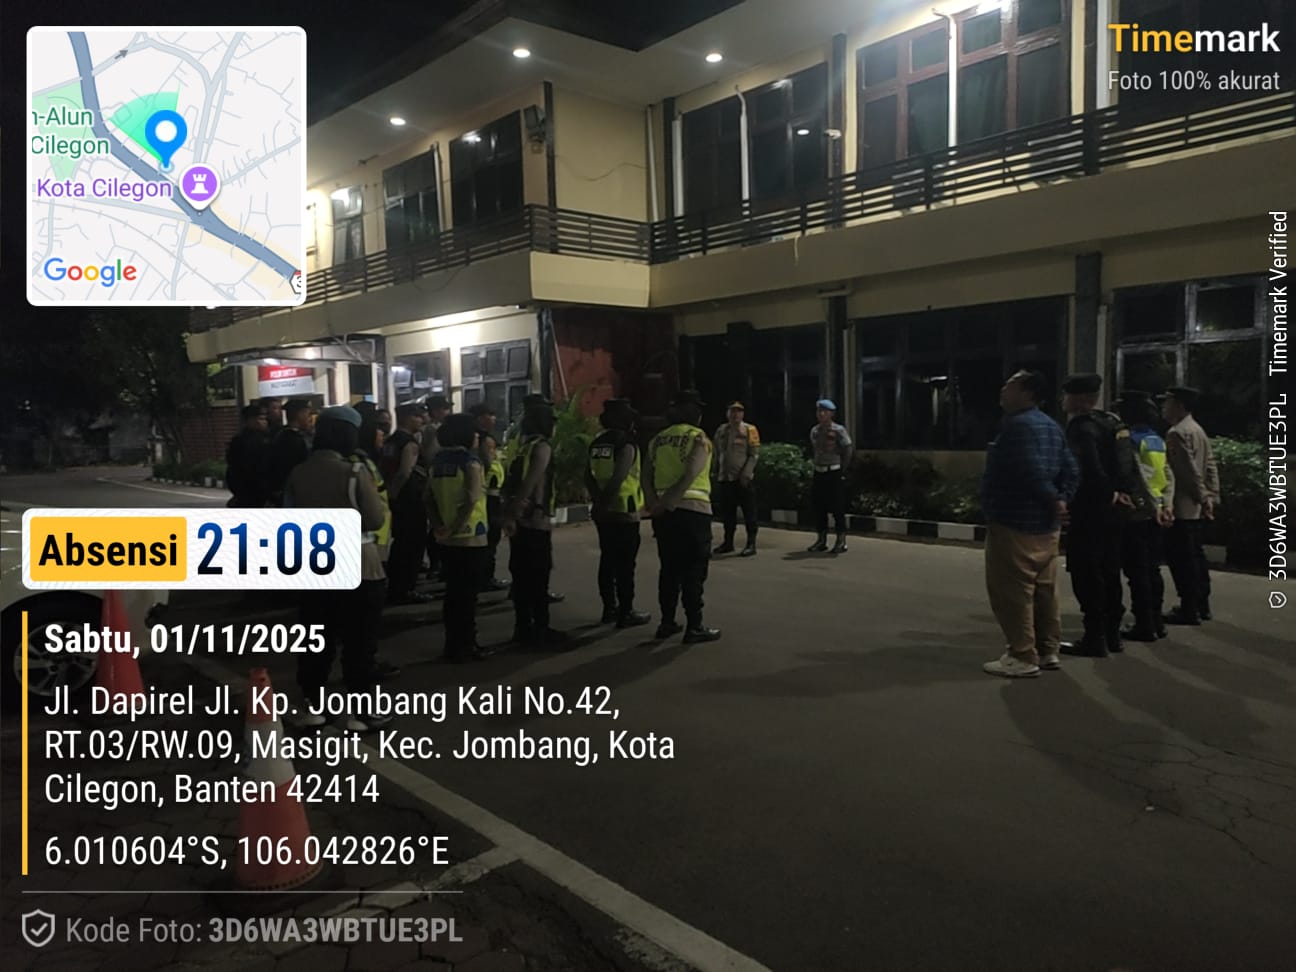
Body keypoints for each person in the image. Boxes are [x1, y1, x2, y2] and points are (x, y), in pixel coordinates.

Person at [284, 406, 389, 732]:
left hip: (315, 568)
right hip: (359, 566)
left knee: (316, 641)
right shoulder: (355, 472)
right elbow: (375, 519)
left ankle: (313, 709)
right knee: (359, 643)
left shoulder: (298, 473)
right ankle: (361, 714)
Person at [981, 370, 1079, 678]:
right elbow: (1071, 469)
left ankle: (1022, 654)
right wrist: (1062, 499)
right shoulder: (1052, 426)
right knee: (1044, 590)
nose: (1002, 390)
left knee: (1012, 591)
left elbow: (1028, 469)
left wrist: (1053, 499)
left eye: (1009, 385)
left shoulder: (1017, 427)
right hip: (1047, 526)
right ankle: (1048, 649)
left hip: (1014, 520)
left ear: (1027, 393)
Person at [1060, 373, 1140, 658]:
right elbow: (1128, 462)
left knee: (1086, 572)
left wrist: (1104, 493)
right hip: (1116, 510)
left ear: (1080, 398)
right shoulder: (1113, 422)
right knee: (1110, 570)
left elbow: (1087, 468)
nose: (1064, 400)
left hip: (1089, 509)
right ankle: (1112, 634)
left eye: (1067, 395)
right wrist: (1122, 491)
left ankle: (1094, 638)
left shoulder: (1081, 427)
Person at [644, 390, 721, 643]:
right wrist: (671, 501)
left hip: (663, 514)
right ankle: (694, 626)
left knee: (669, 569)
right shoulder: (699, 438)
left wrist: (655, 504)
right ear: (694, 413)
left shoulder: (657, 440)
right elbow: (691, 473)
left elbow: (646, 475)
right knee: (694, 570)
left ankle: (667, 622)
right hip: (693, 511)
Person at [427, 414, 498, 663]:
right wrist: (455, 528)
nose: (477, 436)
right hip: (470, 537)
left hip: (445, 538)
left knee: (453, 594)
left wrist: (440, 526)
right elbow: (471, 500)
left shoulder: (437, 462)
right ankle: (466, 645)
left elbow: (428, 498)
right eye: (474, 432)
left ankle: (452, 644)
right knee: (468, 597)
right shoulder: (471, 462)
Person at [502, 398, 568, 647]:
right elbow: (530, 482)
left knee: (521, 576)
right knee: (538, 577)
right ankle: (540, 629)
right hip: (534, 519)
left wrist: (510, 514)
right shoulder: (542, 448)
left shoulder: (522, 447)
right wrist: (518, 509)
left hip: (521, 519)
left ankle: (523, 628)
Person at [586, 399, 652, 628]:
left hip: (603, 513)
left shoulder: (597, 443)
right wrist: (606, 500)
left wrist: (598, 501)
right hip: (624, 510)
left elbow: (588, 475)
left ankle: (609, 609)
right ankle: (626, 611)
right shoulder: (626, 444)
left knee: (607, 560)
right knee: (625, 565)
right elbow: (620, 476)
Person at [1116, 391, 1175, 642]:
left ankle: (1144, 624)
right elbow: (1167, 474)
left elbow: (1136, 476)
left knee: (1137, 572)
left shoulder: (1129, 439)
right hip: (1157, 510)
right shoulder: (1155, 439)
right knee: (1152, 569)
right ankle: (1156, 621)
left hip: (1139, 512)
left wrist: (1151, 507)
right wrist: (1165, 504)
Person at [1161, 386, 1220, 625]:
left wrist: (1202, 497)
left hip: (1183, 505)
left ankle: (1189, 608)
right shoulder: (1197, 429)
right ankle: (1201, 605)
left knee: (1183, 560)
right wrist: (1211, 496)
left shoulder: (1176, 433)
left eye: (1167, 403)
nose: (1164, 408)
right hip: (1196, 505)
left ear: (1179, 405)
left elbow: (1188, 472)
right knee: (1196, 557)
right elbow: (1210, 466)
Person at [381, 402, 432, 605]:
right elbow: (404, 472)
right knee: (412, 544)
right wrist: (394, 494)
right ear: (407, 418)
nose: (421, 420)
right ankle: (405, 588)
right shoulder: (409, 443)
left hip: (394, 497)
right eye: (417, 416)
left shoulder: (390, 441)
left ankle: (396, 586)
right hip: (410, 498)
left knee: (400, 543)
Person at [712, 401, 761, 557]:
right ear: (727, 413)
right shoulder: (721, 430)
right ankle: (728, 542)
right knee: (727, 514)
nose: (735, 414)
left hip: (743, 479)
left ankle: (751, 543)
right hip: (725, 478)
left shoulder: (749, 430)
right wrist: (714, 471)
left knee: (749, 512)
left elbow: (754, 455)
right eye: (732, 411)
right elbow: (716, 452)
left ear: (743, 414)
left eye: (738, 411)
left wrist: (746, 474)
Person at [808, 399, 853, 554]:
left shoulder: (839, 430)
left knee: (837, 507)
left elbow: (848, 449)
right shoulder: (815, 431)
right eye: (819, 411)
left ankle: (841, 540)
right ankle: (821, 540)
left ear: (831, 414)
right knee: (819, 507)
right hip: (819, 471)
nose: (821, 414)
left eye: (824, 411)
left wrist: (843, 469)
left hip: (833, 471)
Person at [420, 395, 453, 583]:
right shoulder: (433, 430)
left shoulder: (428, 428)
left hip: (431, 478)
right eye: (444, 409)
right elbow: (430, 455)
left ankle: (436, 565)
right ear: (435, 411)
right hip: (434, 478)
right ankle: (436, 565)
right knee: (436, 525)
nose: (447, 412)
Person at [267, 399, 314, 505]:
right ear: (300, 414)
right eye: (308, 414)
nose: (310, 419)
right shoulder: (293, 440)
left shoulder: (280, 435)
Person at [225, 403, 271, 508]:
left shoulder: (265, 438)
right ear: (250, 420)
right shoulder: (244, 442)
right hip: (252, 492)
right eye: (261, 419)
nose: (265, 422)